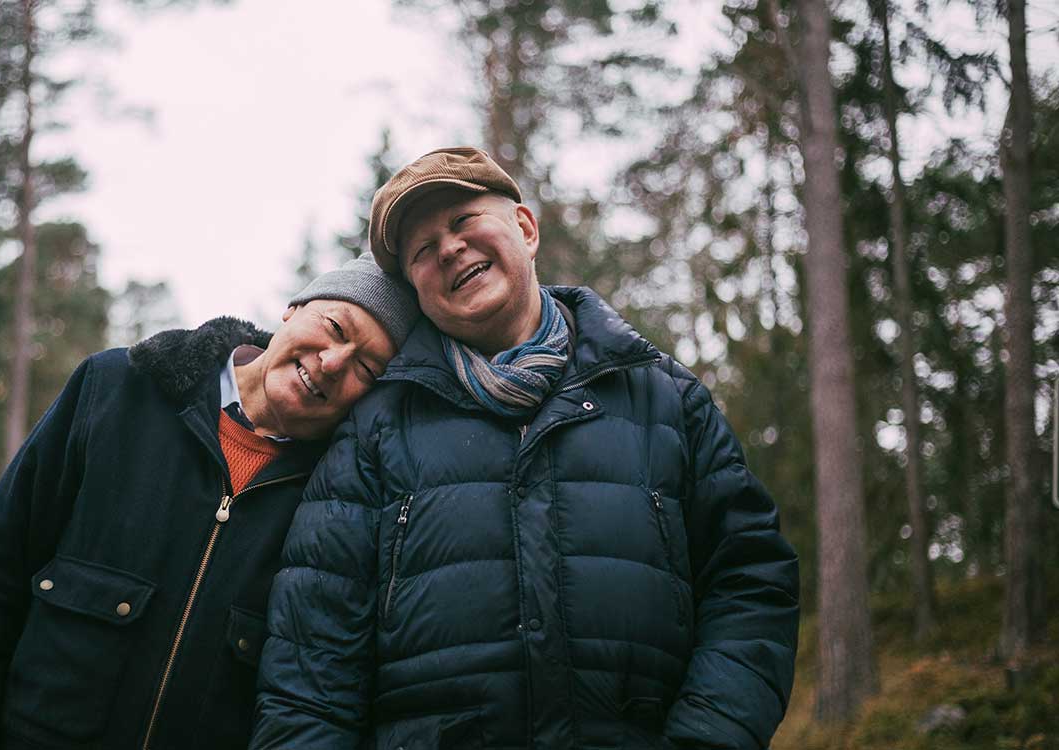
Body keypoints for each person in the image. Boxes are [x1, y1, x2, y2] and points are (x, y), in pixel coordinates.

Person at [252, 148, 800, 750]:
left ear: (526, 228)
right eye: (422, 250)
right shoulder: (375, 431)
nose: (450, 249)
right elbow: (312, 663)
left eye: (463, 222)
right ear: (418, 291)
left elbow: (750, 581)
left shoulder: (664, 399)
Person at [0, 255, 419, 750]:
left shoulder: (336, 501)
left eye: (365, 367)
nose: (333, 363)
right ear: (293, 309)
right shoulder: (116, 389)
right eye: (335, 326)